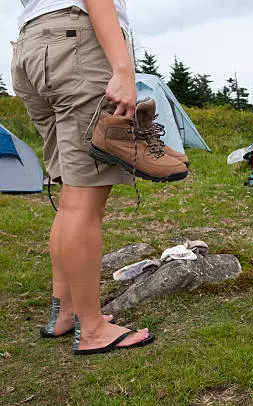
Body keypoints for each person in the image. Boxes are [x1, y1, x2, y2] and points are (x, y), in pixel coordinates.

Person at [11, 0, 155, 354]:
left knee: (71, 201)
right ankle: (91, 329)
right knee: (84, 204)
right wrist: (123, 69)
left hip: (32, 46)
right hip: (76, 44)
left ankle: (66, 313)